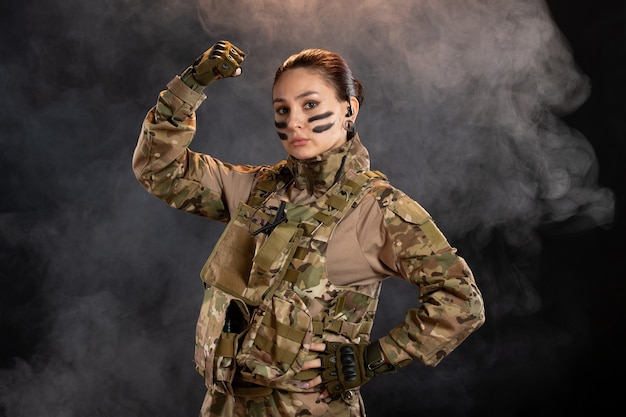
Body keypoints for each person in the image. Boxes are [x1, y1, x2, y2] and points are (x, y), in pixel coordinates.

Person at [133, 40, 485, 417]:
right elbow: (160, 170)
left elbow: (460, 300)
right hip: (224, 404)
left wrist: (375, 359)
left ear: (349, 109)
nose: (294, 121)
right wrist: (190, 85)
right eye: (281, 109)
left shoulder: (379, 209)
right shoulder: (257, 189)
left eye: (310, 104)